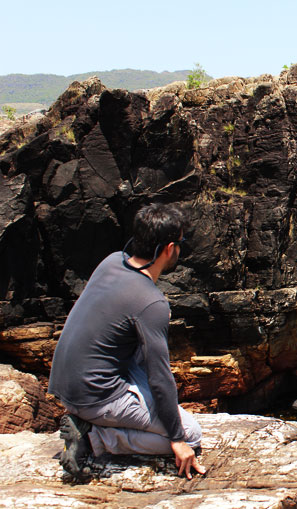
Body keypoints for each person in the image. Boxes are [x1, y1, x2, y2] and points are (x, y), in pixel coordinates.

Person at [48, 203, 206, 480]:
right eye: (181, 243)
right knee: (191, 434)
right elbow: (160, 377)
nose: (181, 248)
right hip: (95, 396)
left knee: (140, 343)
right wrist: (177, 439)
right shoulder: (150, 302)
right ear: (169, 249)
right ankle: (94, 438)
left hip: (66, 383)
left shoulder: (112, 261)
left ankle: (91, 423)